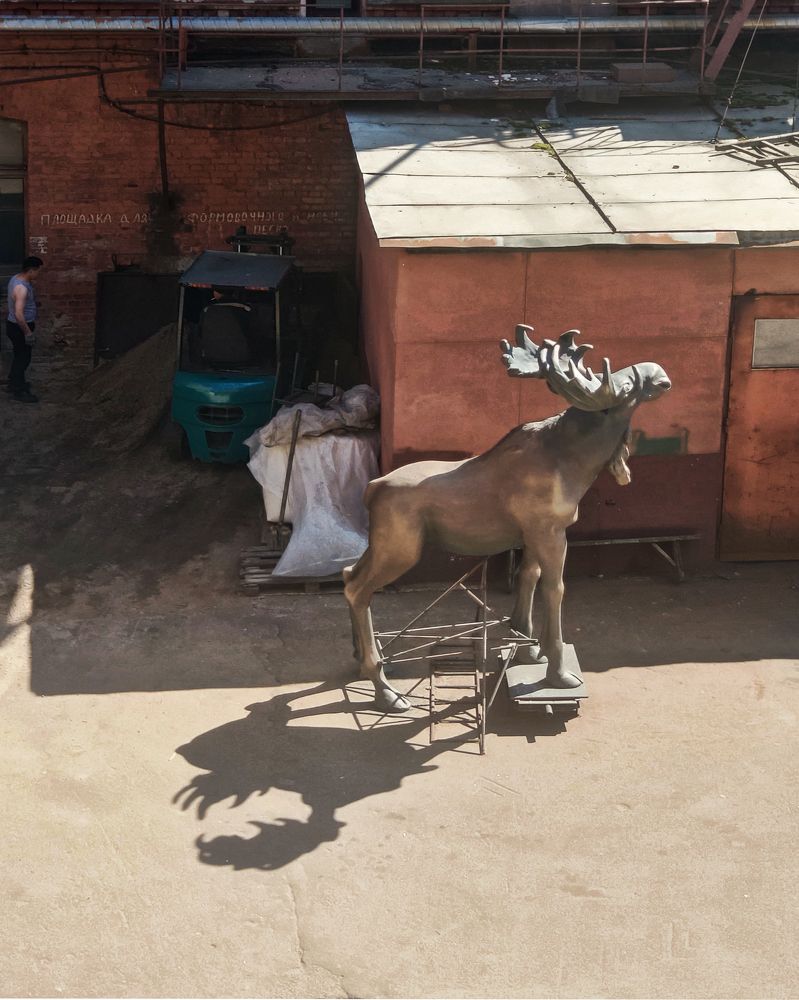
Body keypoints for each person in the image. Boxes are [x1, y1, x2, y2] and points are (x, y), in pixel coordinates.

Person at [6, 256, 43, 403]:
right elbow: (19, 314)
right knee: (23, 359)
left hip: (13, 326)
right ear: (31, 270)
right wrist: (28, 333)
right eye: (38, 271)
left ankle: (14, 382)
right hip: (20, 327)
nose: (39, 274)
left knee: (19, 356)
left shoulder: (16, 278)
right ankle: (19, 390)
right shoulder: (21, 288)